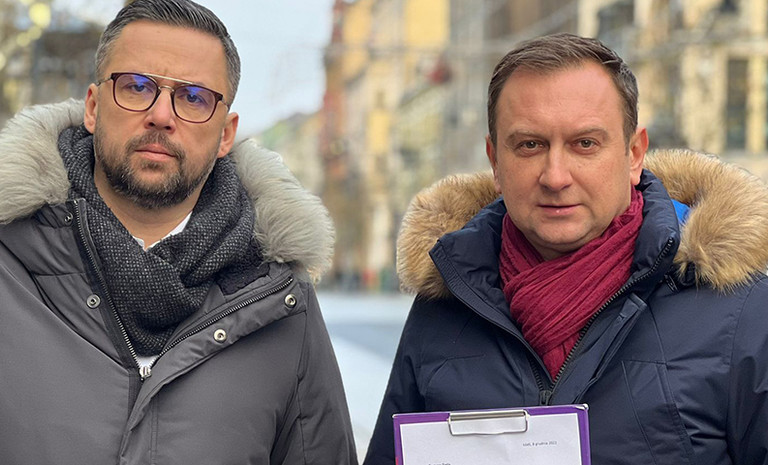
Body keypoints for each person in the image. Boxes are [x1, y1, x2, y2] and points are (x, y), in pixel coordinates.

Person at [364, 33, 768, 464]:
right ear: (495, 161)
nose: (555, 177)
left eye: (585, 144)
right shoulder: (446, 303)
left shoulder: (741, 312)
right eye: (530, 145)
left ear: (634, 155)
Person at [0, 0, 357, 463]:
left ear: (226, 134)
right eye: (136, 86)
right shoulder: (10, 266)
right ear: (93, 107)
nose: (161, 115)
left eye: (193, 98)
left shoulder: (281, 303)